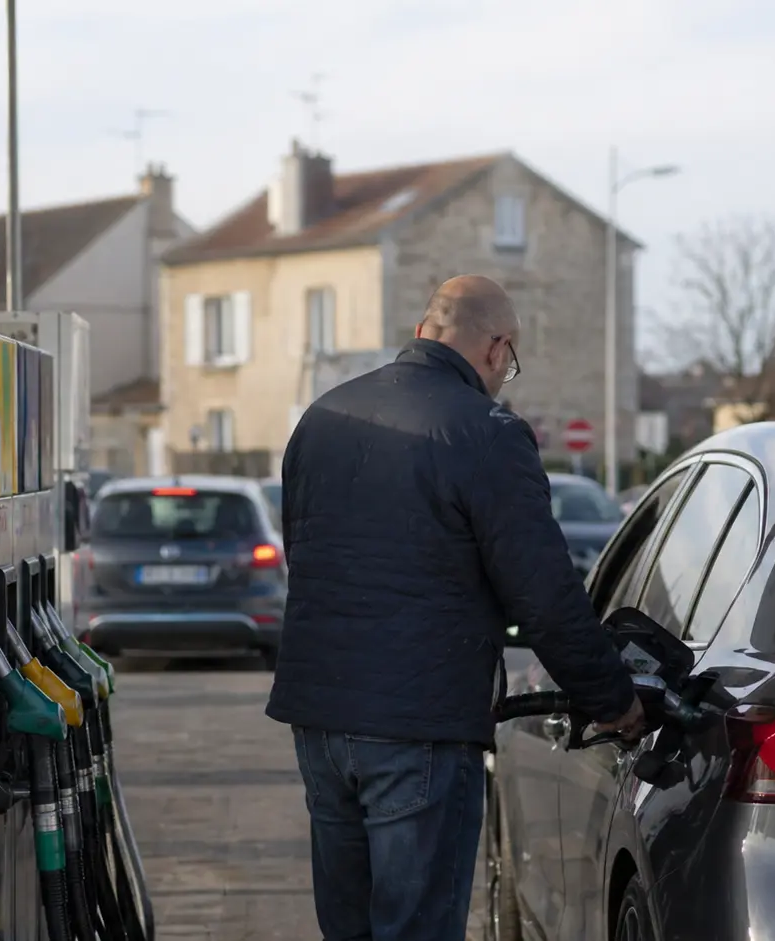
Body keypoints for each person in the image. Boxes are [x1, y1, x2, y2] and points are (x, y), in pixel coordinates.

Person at [267, 274, 645, 941]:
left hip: (320, 719)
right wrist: (612, 698)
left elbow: (306, 554)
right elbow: (542, 592)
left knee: (348, 928)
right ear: (497, 348)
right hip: (422, 723)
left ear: (423, 331)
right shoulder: (488, 433)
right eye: (510, 361)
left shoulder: (323, 417)